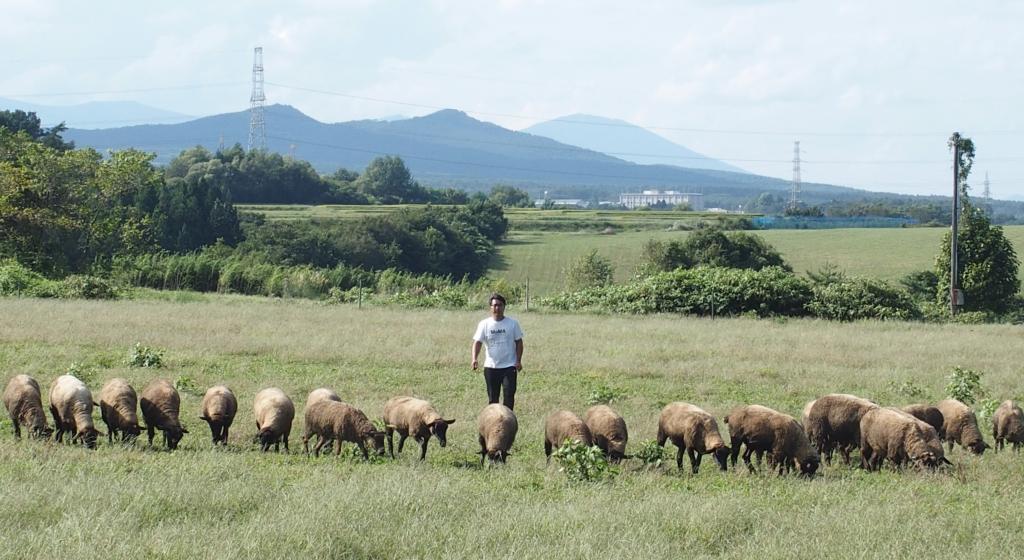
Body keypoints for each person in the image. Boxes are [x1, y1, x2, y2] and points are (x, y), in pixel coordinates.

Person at [471, 293, 524, 410]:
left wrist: (518, 360)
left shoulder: (513, 324)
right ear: (490, 307)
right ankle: (493, 423)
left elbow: (519, 342)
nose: (497, 308)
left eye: (500, 305)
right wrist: (474, 358)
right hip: (491, 367)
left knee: (509, 396)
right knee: (493, 399)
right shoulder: (484, 324)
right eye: (494, 305)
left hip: (509, 366)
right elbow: (477, 342)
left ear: (504, 306)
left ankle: (508, 423)